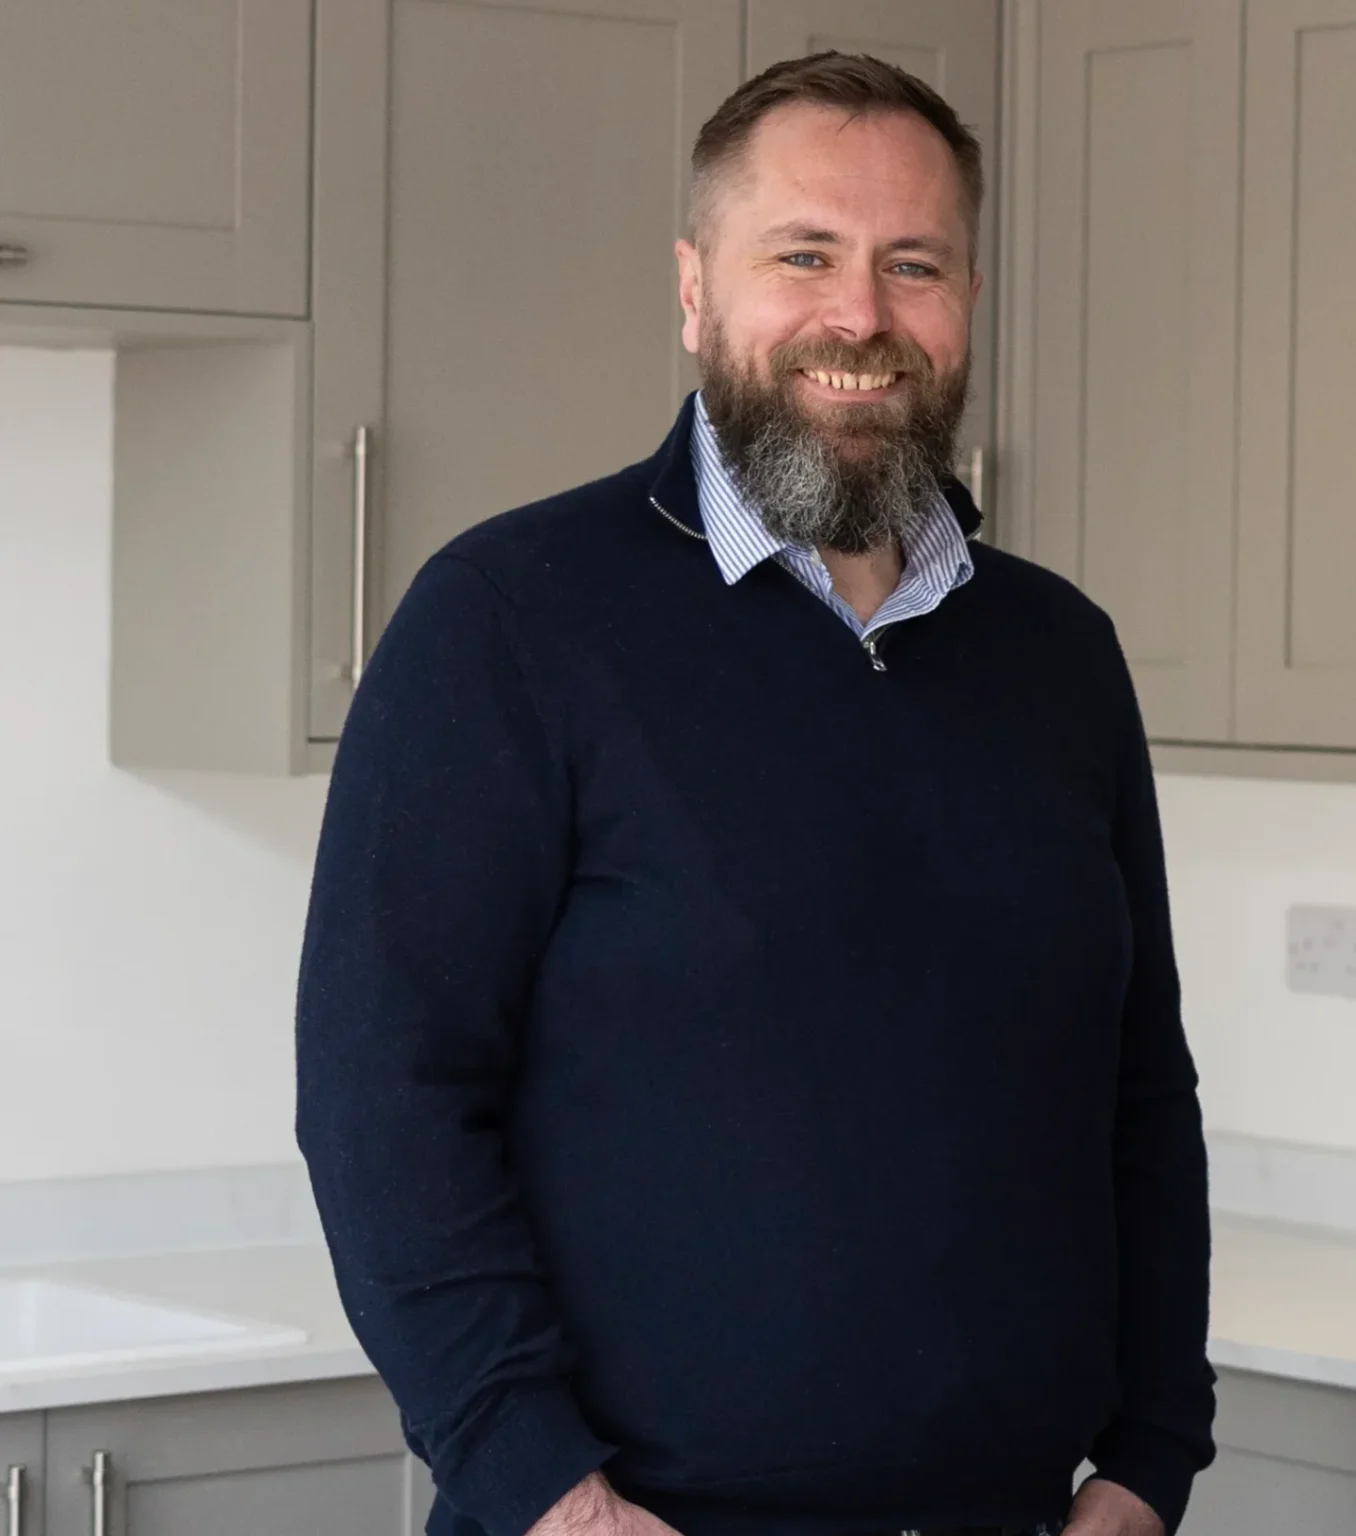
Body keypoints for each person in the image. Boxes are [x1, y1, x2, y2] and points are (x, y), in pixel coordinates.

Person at [295, 51, 1216, 1536]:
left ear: (968, 300)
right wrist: (554, 1499)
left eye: (913, 263)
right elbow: (384, 1100)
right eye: (804, 255)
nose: (860, 316)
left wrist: (1152, 1457)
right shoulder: (511, 618)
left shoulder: (1060, 654)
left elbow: (1140, 1086)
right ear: (694, 290)